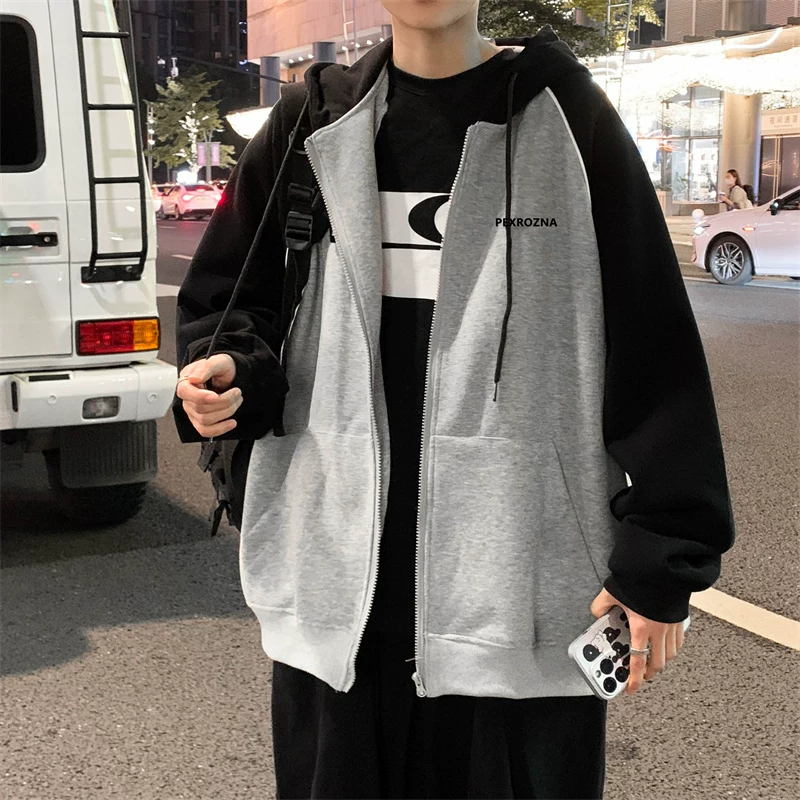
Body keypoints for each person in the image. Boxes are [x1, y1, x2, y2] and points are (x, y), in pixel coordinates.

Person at [173, 1, 736, 797]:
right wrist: (229, 373)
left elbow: (654, 344)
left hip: (518, 593)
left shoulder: (571, 120)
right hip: (336, 591)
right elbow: (232, 304)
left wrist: (665, 557)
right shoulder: (309, 121)